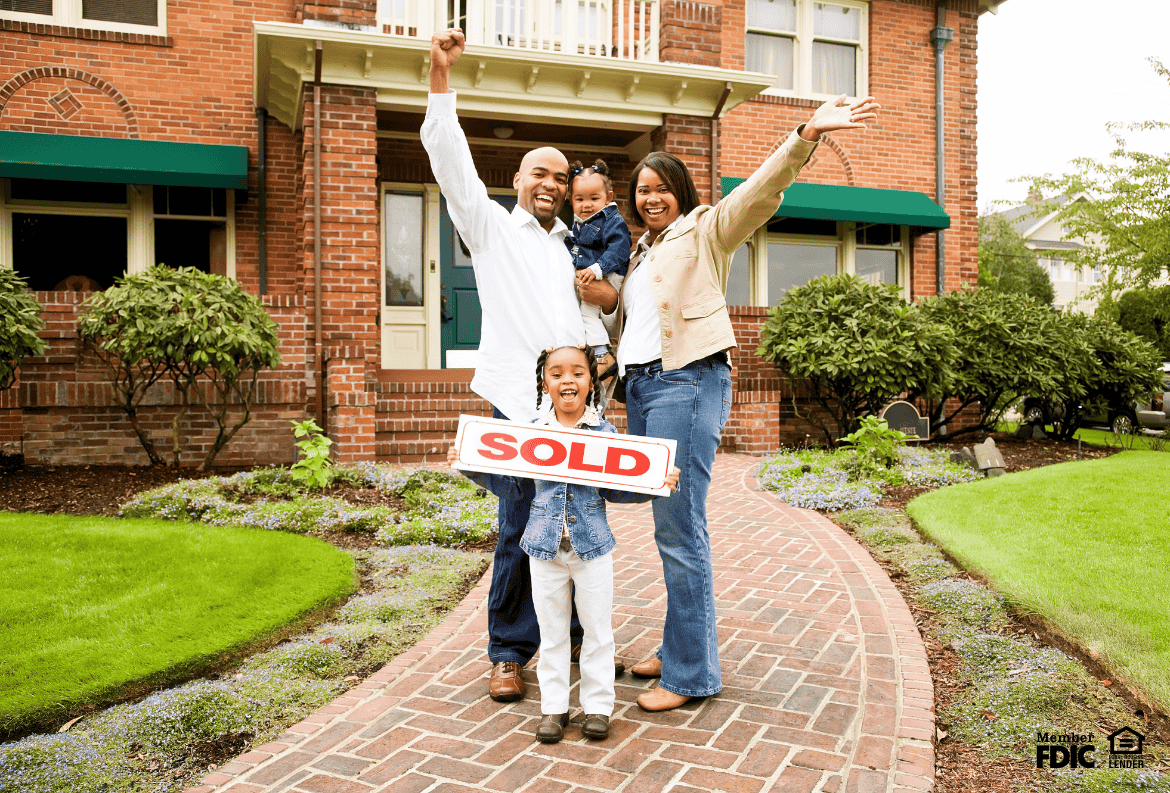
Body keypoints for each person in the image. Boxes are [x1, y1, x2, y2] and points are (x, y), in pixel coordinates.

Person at [608, 94, 882, 712]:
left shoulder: (706, 229)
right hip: (646, 389)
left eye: (662, 187)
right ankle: (679, 645)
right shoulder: (640, 251)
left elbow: (759, 192)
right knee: (668, 526)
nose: (651, 197)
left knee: (681, 527)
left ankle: (690, 673)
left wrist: (804, 135)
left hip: (687, 382)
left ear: (682, 190)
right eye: (642, 190)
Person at [421, 28, 619, 704]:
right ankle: (508, 650)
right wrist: (440, 76)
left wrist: (605, 359)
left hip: (581, 404)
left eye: (562, 178)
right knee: (521, 524)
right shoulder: (492, 229)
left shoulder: (575, 246)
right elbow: (449, 159)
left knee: (580, 523)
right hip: (521, 400)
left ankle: (574, 640)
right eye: (541, 172)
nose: (553, 184)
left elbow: (591, 321)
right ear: (517, 180)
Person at [450, 345, 679, 742]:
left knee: (597, 632)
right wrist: (470, 465)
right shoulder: (532, 433)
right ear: (545, 383)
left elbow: (618, 489)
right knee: (553, 634)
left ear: (591, 382)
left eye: (577, 372)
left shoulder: (603, 434)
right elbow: (514, 488)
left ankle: (598, 708)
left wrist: (656, 485)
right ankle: (554, 710)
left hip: (592, 551)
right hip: (544, 550)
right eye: (557, 374)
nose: (567, 380)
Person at [565, 159, 630, 373]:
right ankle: (597, 353)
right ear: (570, 199)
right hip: (596, 274)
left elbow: (619, 249)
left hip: (608, 274)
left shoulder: (611, 219)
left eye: (594, 198)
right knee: (584, 314)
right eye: (579, 199)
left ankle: (603, 356)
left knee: (587, 314)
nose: (587, 204)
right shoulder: (578, 225)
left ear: (608, 198)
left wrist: (597, 269)